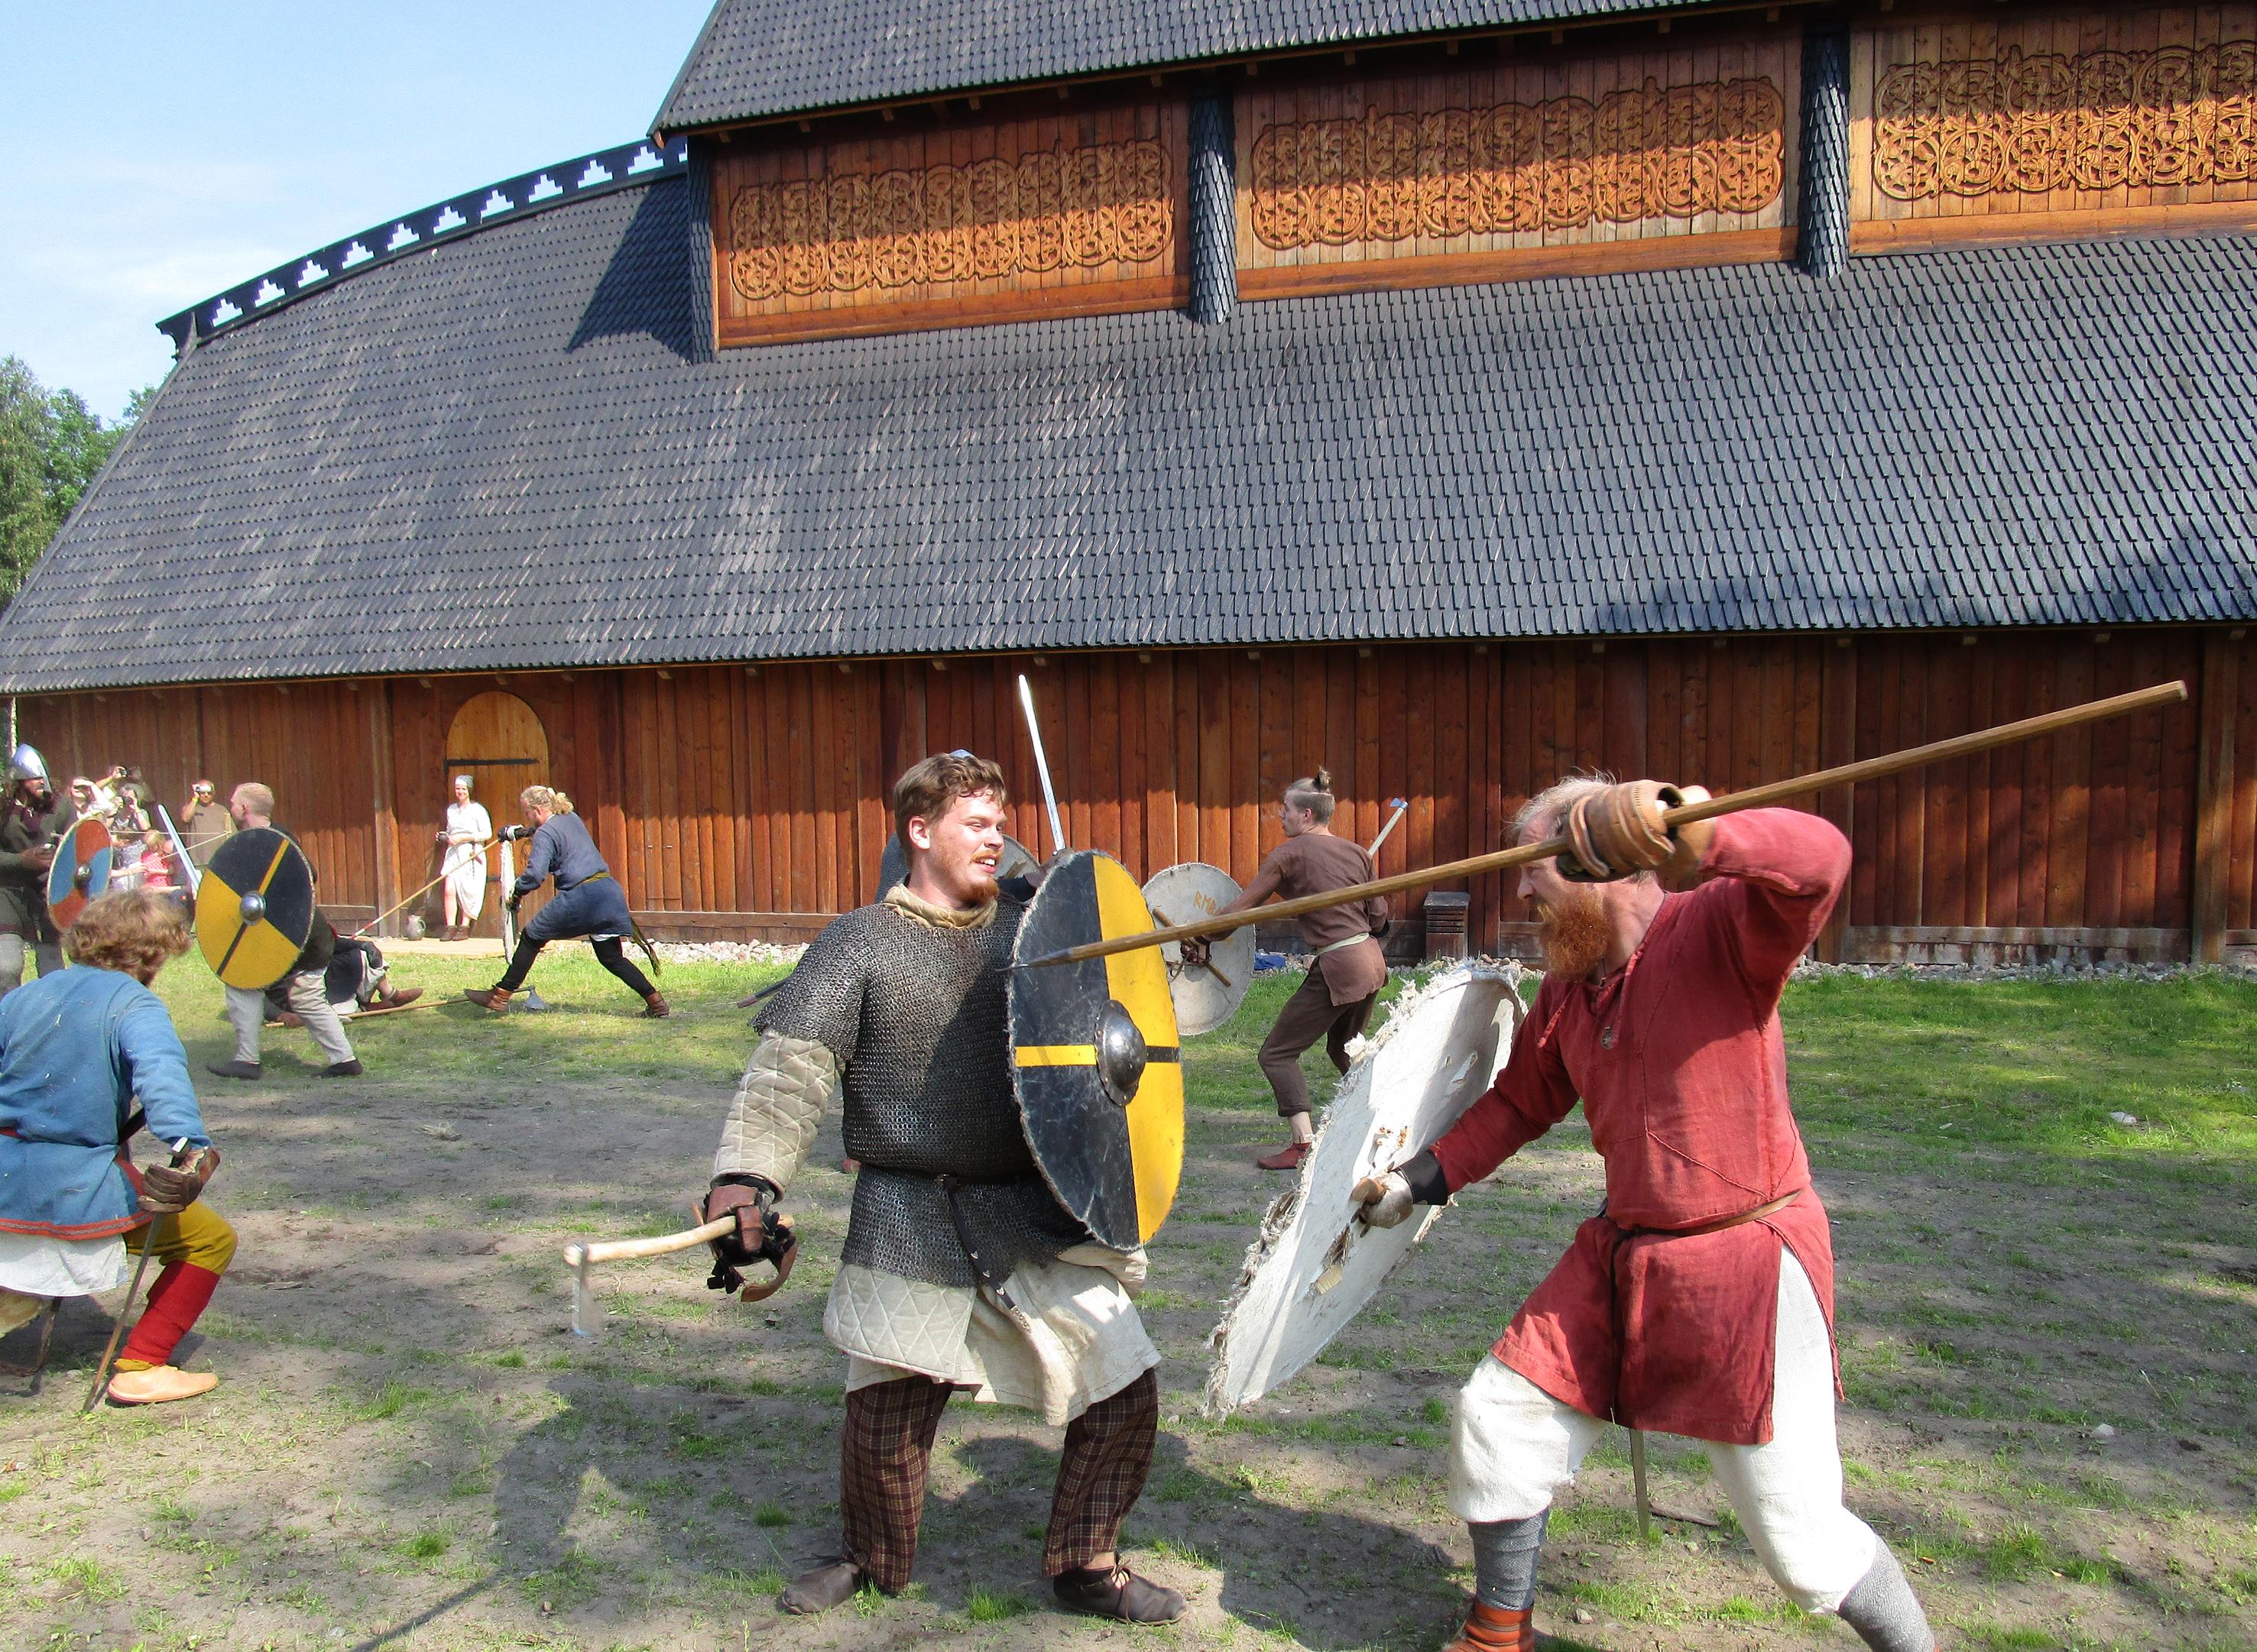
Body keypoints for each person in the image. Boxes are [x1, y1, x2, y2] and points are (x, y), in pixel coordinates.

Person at [1351, 777, 1935, 1652]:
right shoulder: (1571, 986)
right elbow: (1518, 1104)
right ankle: (1496, 1633)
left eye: (1535, 866)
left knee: (1800, 1537)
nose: (1520, 890)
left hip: (1742, 1263)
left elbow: (1821, 860)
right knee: (1498, 1415)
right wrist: (1419, 1180)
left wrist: (1695, 830)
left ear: (1605, 859)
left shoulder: (1720, 931)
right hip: (1621, 1252)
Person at [699, 752, 1181, 1623]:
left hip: (1029, 1207)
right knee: (884, 1420)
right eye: (976, 823)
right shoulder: (859, 943)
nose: (996, 839)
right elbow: (789, 1073)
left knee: (1122, 1387)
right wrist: (745, 1178)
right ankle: (867, 1555)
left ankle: (1086, 1559)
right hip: (909, 1209)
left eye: (1001, 823)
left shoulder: (1035, 939)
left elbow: (1117, 1031)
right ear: (920, 831)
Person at [0, 888, 234, 1404]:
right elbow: (163, 1082)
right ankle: (143, 1364)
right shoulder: (135, 1004)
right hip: (71, 1184)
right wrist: (192, 1150)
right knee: (210, 1239)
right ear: (150, 954)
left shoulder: (22, 997)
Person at [1188, 766, 1389, 1169]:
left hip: (1340, 966)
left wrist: (1202, 938)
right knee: (1344, 1049)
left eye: (1285, 809)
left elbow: (1241, 909)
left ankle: (1302, 1146)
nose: (1280, 815)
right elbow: (1380, 919)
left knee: (1277, 1054)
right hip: (1371, 961)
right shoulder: (1357, 854)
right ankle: (1383, 1123)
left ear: (1307, 816)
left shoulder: (1288, 855)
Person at [461, 786, 667, 1016]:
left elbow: (535, 876)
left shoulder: (545, 834)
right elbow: (552, 832)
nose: (527, 817)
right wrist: (518, 833)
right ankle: (656, 1003)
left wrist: (516, 891)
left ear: (538, 809)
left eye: (527, 813)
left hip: (582, 896)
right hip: (608, 893)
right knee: (611, 958)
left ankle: (500, 996)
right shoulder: (570, 817)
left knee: (532, 936)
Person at [206, 782, 361, 1080]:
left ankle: (248, 1061)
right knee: (303, 997)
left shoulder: (275, 842)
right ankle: (344, 1060)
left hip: (292, 933)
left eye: (234, 803)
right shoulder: (271, 838)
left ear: (245, 808)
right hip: (304, 935)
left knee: (242, 981)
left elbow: (305, 881)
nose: (231, 807)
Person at [0, 745, 74, 996]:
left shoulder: (60, 807)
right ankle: (8, 1022)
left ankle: (52, 1023)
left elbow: (76, 847)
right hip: (8, 895)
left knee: (52, 970)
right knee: (7, 968)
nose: (41, 782)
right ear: (19, 781)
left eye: (43, 777)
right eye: (35, 778)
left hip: (48, 895)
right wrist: (21, 861)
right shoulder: (2, 809)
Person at [265, 935, 421, 1023]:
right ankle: (366, 1009)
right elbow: (254, 991)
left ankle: (392, 994)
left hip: (322, 971)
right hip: (293, 990)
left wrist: (362, 944)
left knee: (362, 955)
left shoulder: (306, 917)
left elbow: (329, 941)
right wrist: (278, 1015)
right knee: (326, 1013)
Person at [436, 774, 493, 940]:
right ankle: (450, 926)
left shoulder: (478, 810)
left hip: (470, 852)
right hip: (453, 853)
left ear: (469, 790)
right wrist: (444, 836)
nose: (460, 792)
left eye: (463, 789)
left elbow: (487, 833)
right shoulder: (452, 810)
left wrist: (464, 838)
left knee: (469, 889)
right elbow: (450, 830)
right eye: (457, 789)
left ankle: (464, 927)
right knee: (449, 890)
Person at [179, 780, 235, 866]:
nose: (206, 795)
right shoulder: (192, 807)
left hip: (220, 860)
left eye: (209, 793)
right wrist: (195, 798)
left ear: (213, 793)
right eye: (202, 792)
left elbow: (232, 833)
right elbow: (186, 818)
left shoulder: (222, 809)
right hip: (198, 860)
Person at [135, 828, 180, 894]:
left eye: (153, 846)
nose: (150, 848)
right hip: (149, 882)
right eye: (148, 846)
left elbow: (172, 871)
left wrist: (155, 871)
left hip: (162, 883)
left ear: (159, 843)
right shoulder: (145, 854)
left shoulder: (164, 854)